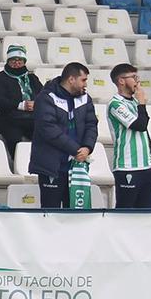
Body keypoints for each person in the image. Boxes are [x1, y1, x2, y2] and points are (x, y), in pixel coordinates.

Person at [31, 61, 97, 209]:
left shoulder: (85, 98)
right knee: (50, 214)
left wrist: (87, 147)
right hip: (52, 166)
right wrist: (76, 150)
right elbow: (48, 129)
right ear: (71, 79)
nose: (85, 85)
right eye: (83, 80)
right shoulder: (46, 97)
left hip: (77, 167)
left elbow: (91, 124)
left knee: (76, 216)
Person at [107, 61, 151, 208]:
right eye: (134, 77)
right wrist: (142, 103)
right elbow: (140, 125)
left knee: (145, 213)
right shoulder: (115, 104)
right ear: (121, 81)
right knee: (125, 213)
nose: (138, 81)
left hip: (148, 166)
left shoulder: (135, 101)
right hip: (128, 167)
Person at [0, 43, 43, 153]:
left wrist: (36, 104)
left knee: (45, 134)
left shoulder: (31, 77)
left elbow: (43, 96)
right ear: (8, 61)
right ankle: (17, 163)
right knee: (14, 138)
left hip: (31, 118)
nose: (17, 63)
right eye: (13, 60)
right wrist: (20, 105)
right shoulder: (1, 77)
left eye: (20, 60)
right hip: (9, 118)